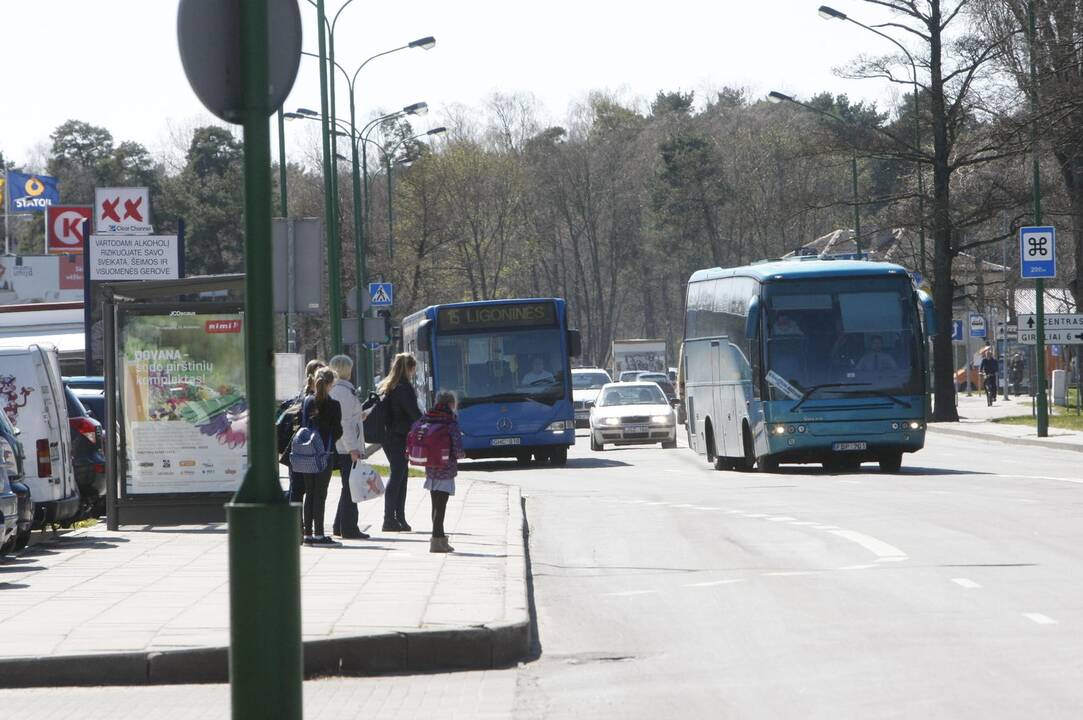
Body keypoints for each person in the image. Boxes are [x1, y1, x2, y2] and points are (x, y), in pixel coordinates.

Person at [299, 368, 343, 546]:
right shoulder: (333, 405)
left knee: (309, 493)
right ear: (331, 383)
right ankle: (319, 533)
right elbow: (337, 431)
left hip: (306, 454)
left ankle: (307, 534)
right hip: (324, 453)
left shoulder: (307, 401)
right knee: (320, 494)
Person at [379, 353, 422, 532]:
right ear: (409, 368)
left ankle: (399, 518)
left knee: (401, 476)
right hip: (399, 436)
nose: (413, 373)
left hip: (390, 437)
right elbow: (413, 413)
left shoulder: (388, 386)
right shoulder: (404, 388)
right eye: (413, 369)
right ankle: (389, 519)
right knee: (397, 475)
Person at [420, 390, 465, 553]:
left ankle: (439, 539)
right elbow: (457, 446)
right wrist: (461, 455)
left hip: (431, 467)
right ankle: (437, 540)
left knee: (435, 504)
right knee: (441, 506)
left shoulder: (428, 417)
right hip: (445, 468)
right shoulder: (450, 421)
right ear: (452, 404)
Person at [328, 355, 368, 540]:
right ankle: (349, 527)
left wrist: (360, 416)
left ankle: (339, 525)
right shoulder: (342, 391)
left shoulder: (340, 390)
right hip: (345, 448)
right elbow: (343, 423)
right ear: (345, 369)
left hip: (344, 446)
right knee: (351, 487)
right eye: (350, 367)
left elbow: (347, 418)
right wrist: (353, 448)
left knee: (347, 487)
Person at [288, 359, 326, 507]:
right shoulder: (313, 399)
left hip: (296, 448)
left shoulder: (300, 397)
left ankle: (298, 525)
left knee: (297, 488)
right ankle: (300, 525)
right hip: (309, 449)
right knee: (304, 489)